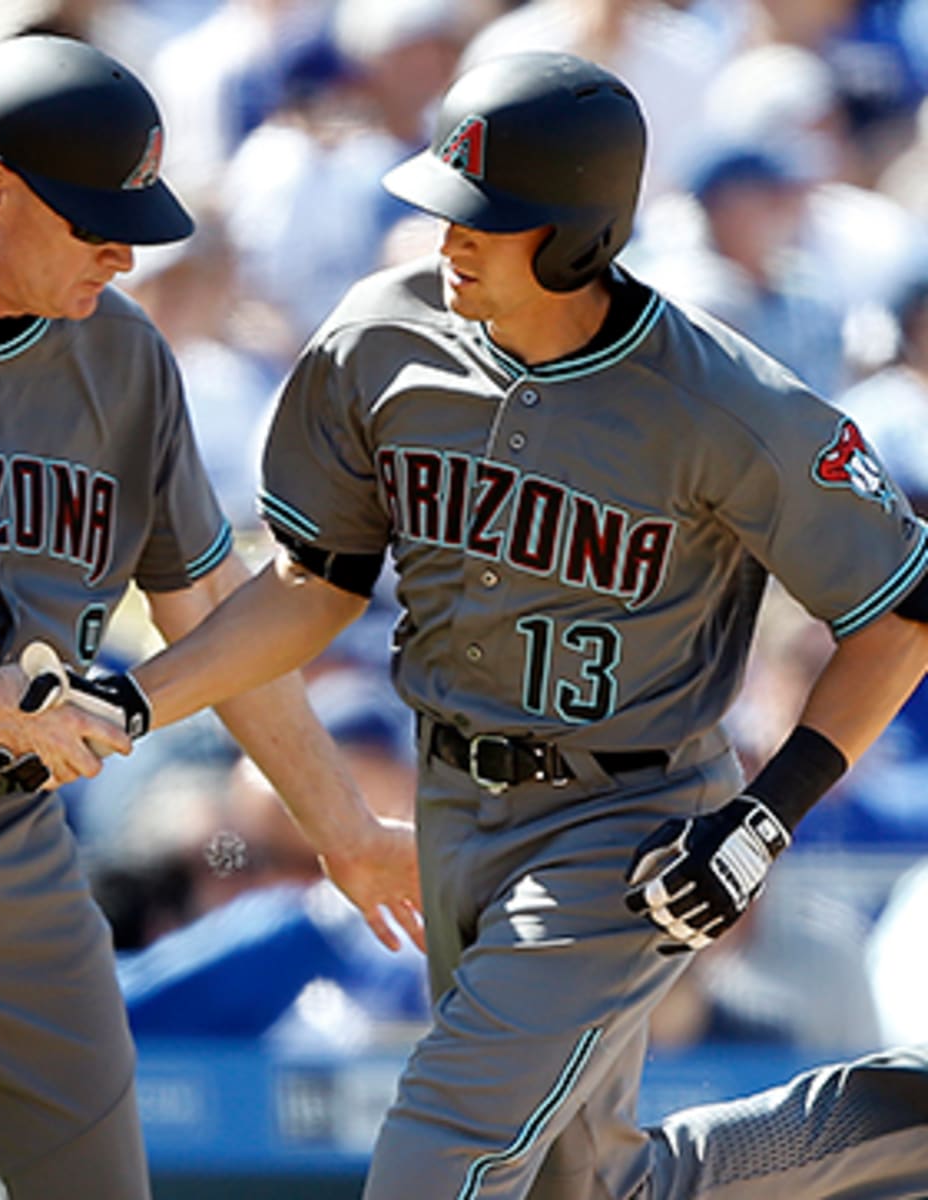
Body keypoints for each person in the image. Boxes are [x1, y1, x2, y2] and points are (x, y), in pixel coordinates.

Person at [130, 51, 928, 1199]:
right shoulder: (379, 342)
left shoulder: (721, 402)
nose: (447, 235)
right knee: (590, 1186)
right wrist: (145, 700)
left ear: (572, 238)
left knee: (438, 1150)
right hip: (455, 805)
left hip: (630, 821)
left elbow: (901, 612)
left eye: (482, 219)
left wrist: (767, 814)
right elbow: (314, 585)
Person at [0, 33, 422, 1200]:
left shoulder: (129, 358)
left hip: (17, 847)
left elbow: (206, 607)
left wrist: (344, 829)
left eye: (135, 220)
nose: (122, 248)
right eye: (92, 218)